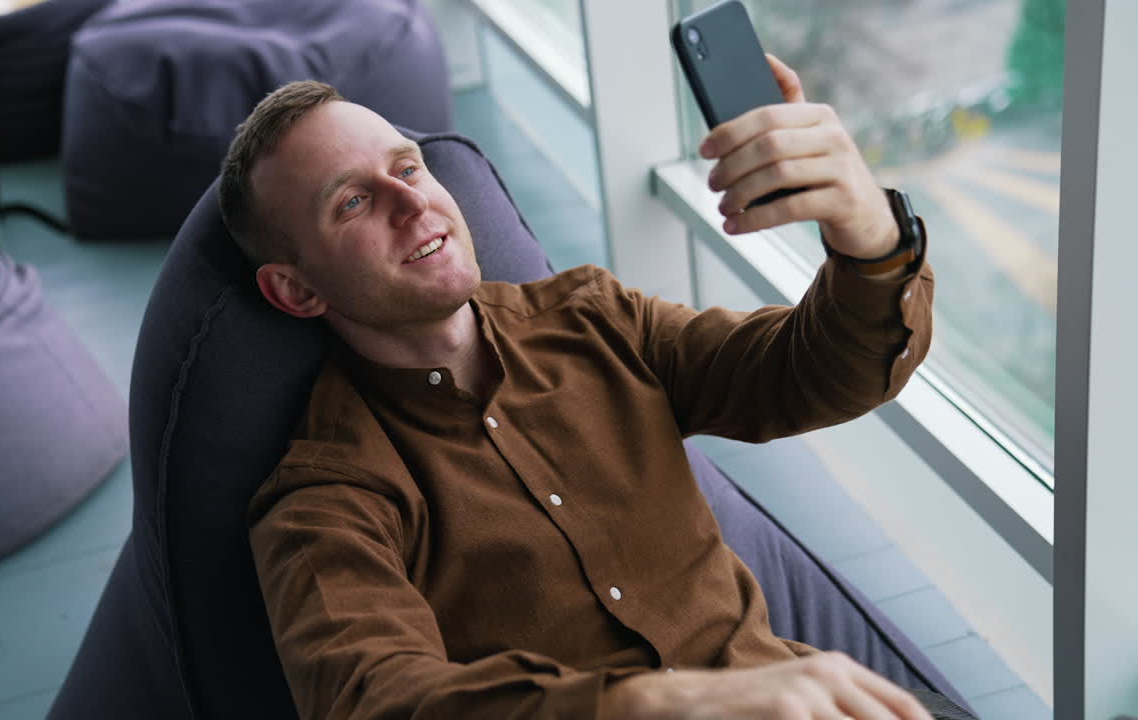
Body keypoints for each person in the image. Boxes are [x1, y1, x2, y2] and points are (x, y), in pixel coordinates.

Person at [220, 54, 966, 720]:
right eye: (352, 202)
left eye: (408, 168)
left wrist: (866, 233)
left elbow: (813, 375)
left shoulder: (592, 318)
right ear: (295, 291)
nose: (412, 203)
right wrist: (656, 702)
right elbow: (373, 699)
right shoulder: (322, 500)